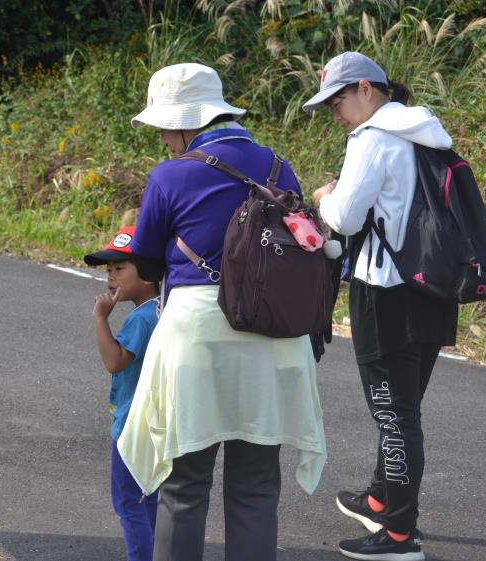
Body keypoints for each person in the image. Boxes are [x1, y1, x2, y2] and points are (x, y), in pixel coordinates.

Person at [116, 63, 327, 561]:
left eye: (167, 126)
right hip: (273, 334)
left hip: (198, 335)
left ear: (188, 123)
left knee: (184, 486)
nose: (166, 138)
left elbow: (145, 263)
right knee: (256, 486)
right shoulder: (279, 167)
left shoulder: (171, 175)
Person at [304, 51, 458, 561]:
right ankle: (379, 496)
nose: (336, 114)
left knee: (394, 417)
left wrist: (326, 194)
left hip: (386, 291)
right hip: (433, 288)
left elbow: (345, 218)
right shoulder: (425, 131)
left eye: (339, 100)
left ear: (367, 88)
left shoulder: (372, 138)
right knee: (404, 408)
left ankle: (397, 536)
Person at [85, 225, 161, 561]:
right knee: (152, 499)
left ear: (147, 273)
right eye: (108, 270)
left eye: (119, 269)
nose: (110, 278)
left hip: (132, 425)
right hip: (156, 422)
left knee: (129, 502)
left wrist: (101, 319)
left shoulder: (141, 319)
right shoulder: (163, 311)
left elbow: (115, 362)